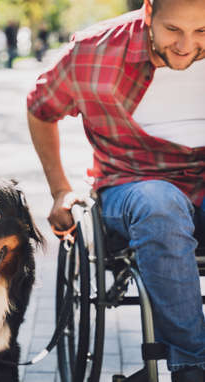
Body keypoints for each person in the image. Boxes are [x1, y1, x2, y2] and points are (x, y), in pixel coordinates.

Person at [27, 0, 205, 381]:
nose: (187, 45)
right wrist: (60, 190)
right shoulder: (95, 51)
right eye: (174, 30)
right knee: (161, 203)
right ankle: (193, 367)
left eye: (202, 32)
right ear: (148, 13)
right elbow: (41, 108)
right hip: (133, 188)